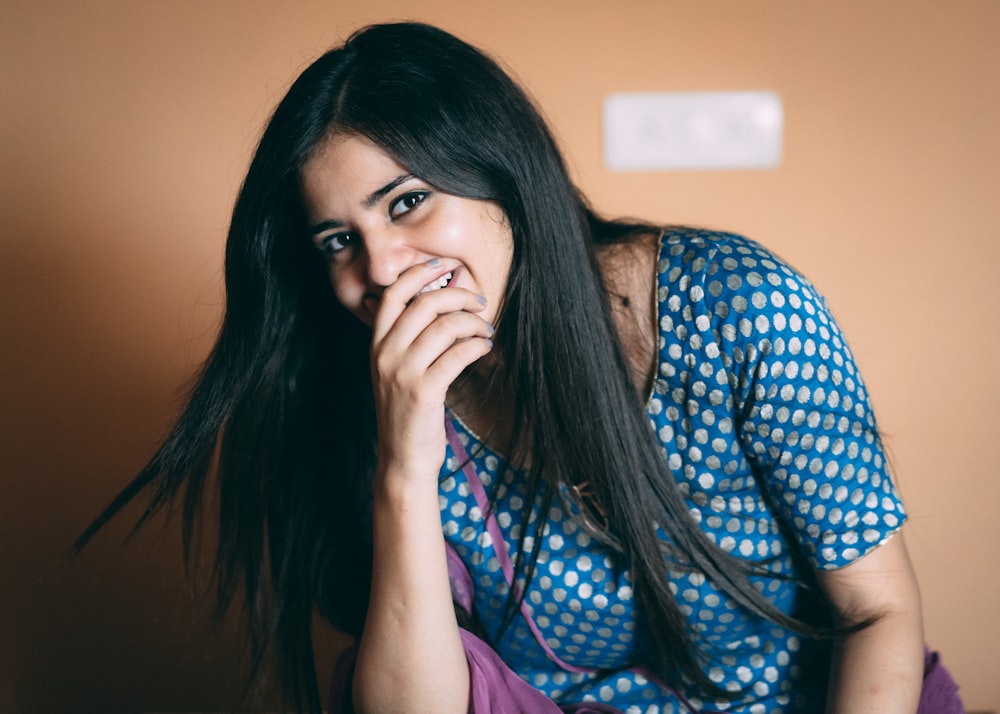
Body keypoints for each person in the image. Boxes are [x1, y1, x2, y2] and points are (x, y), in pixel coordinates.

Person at [76, 21, 958, 714]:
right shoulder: (364, 392)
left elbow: (877, 613)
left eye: (410, 202)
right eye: (341, 241)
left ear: (506, 179)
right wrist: (404, 464)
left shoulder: (738, 307)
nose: (381, 269)